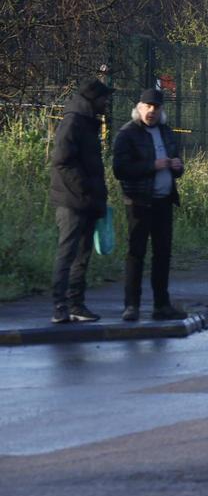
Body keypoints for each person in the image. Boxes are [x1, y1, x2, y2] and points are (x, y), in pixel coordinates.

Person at [112, 88, 188, 322]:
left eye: (156, 107)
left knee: (162, 254)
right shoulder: (128, 134)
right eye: (147, 107)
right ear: (139, 108)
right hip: (139, 202)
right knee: (136, 253)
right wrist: (152, 165)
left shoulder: (165, 132)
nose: (152, 112)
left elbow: (177, 163)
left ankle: (161, 305)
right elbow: (120, 169)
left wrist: (177, 166)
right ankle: (131, 305)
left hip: (164, 201)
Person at [48, 78, 113, 323]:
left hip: (86, 201)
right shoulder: (74, 122)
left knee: (82, 255)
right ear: (92, 99)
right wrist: (83, 189)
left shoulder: (86, 123)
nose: (106, 102)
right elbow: (61, 160)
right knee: (67, 253)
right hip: (72, 201)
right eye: (104, 98)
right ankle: (60, 306)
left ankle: (76, 304)